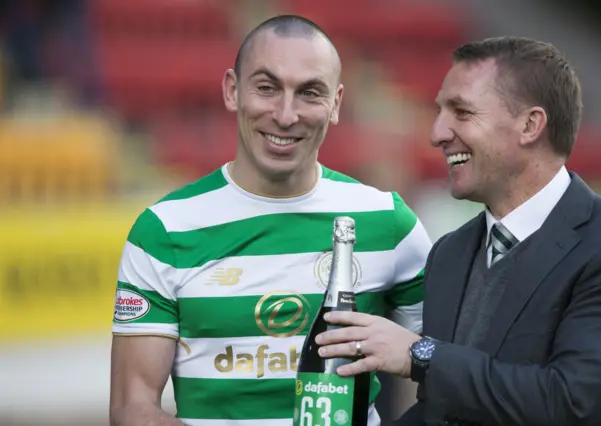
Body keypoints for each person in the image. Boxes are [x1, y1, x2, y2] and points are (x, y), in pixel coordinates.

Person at [108, 14, 432, 426]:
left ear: (335, 104)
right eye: (266, 88)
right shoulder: (165, 230)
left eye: (309, 93)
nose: (285, 114)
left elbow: (451, 366)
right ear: (232, 91)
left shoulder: (386, 222)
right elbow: (132, 407)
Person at [315, 36, 601, 425]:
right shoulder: (450, 253)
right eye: (440, 112)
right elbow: (445, 411)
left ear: (530, 125)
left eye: (462, 113)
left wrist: (421, 355)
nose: (437, 133)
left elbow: (567, 401)